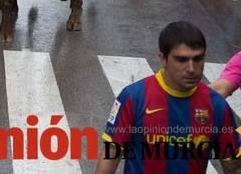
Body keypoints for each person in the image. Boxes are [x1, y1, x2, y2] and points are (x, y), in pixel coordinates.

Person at [96, 21, 241, 174]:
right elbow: (110, 157)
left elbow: (232, 166)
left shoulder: (217, 106)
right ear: (163, 58)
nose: (191, 69)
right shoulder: (133, 97)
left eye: (198, 59)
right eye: (182, 60)